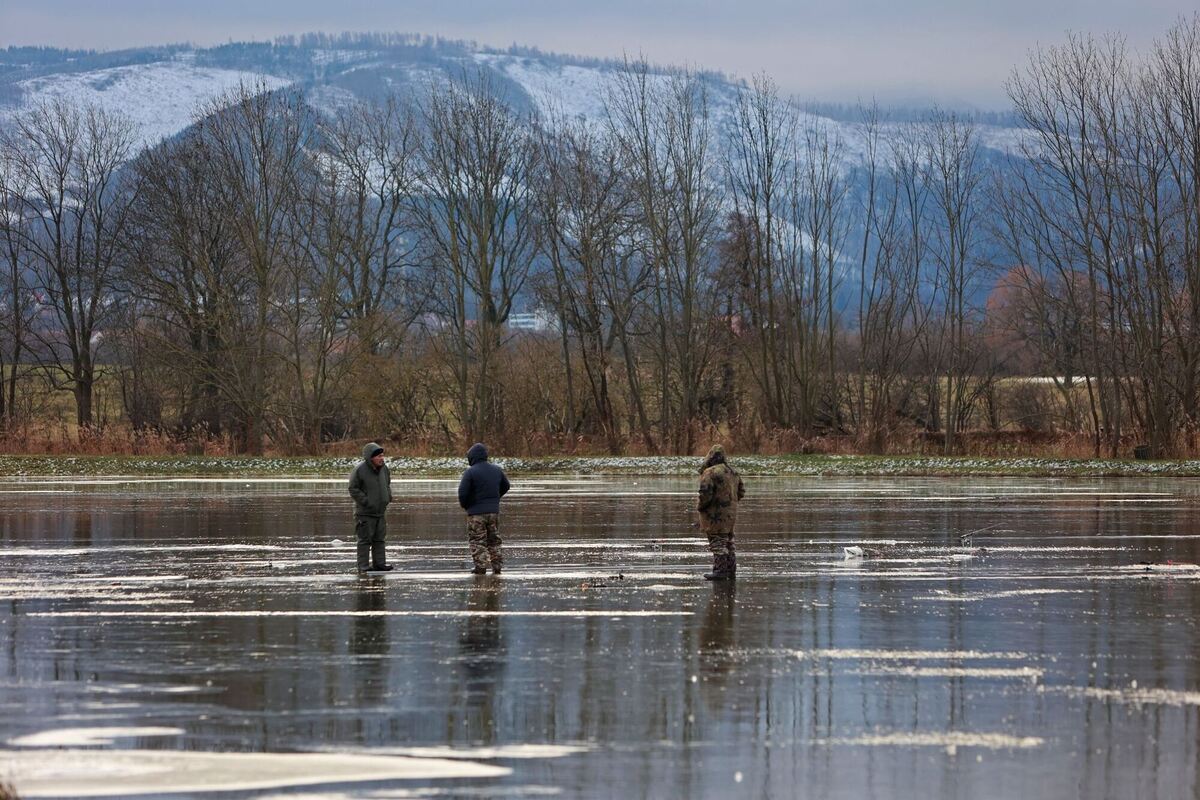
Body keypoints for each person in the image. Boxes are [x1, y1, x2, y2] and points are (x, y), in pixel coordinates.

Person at [457, 442, 511, 575]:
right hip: (493, 512)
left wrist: (467, 506)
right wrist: (495, 499)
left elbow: (462, 493)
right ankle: (497, 566)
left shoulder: (470, 472)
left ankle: (480, 567)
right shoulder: (496, 470)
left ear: (472, 457)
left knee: (477, 540)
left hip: (476, 514)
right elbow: (506, 486)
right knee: (494, 540)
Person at [697, 444, 745, 581]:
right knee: (729, 541)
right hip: (730, 515)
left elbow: (704, 494)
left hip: (714, 516)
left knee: (717, 541)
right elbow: (741, 492)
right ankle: (731, 569)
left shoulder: (710, 472)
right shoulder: (733, 472)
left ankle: (720, 570)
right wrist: (731, 503)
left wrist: (701, 507)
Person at [348, 442, 393, 573]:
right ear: (370, 457)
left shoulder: (384, 469)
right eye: (378, 456)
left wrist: (388, 497)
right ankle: (363, 566)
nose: (381, 458)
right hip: (365, 513)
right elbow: (353, 489)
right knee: (364, 540)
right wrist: (366, 501)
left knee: (379, 539)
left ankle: (380, 564)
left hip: (380, 512)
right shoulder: (359, 470)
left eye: (382, 455)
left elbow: (388, 484)